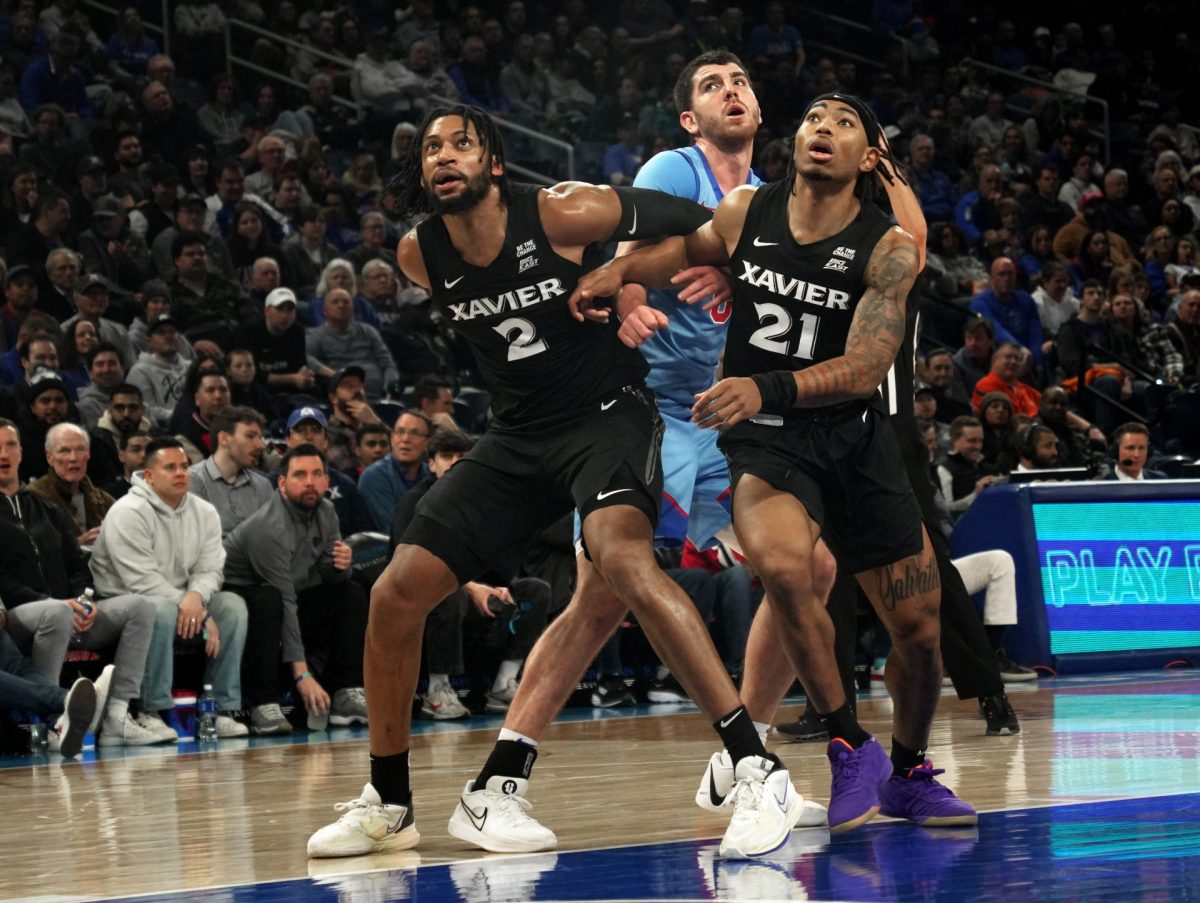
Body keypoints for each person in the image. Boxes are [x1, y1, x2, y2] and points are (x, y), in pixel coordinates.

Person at [307, 104, 797, 862]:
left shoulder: (569, 210)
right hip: (515, 437)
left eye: (461, 143)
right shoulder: (418, 254)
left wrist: (633, 279)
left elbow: (702, 220)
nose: (444, 155)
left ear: (494, 163)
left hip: (608, 416)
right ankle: (390, 802)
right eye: (431, 147)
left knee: (622, 560)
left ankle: (755, 765)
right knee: (394, 592)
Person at [571, 92, 975, 837]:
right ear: (796, 139)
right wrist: (617, 276)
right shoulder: (745, 210)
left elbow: (863, 366)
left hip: (852, 439)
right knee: (787, 569)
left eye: (845, 122)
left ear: (869, 160)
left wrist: (764, 382)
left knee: (919, 629)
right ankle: (850, 742)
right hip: (766, 441)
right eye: (816, 117)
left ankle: (911, 770)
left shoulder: (888, 247)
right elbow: (684, 253)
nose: (824, 128)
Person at [0, 419, 159, 747]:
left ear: (21, 452)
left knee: (139, 607)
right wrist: (56, 603)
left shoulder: (45, 508)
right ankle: (55, 720)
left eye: (10, 445)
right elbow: (4, 582)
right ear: (48, 456)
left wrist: (82, 599)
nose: (3, 453)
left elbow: (77, 565)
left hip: (69, 610)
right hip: (20, 614)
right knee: (55, 614)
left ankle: (116, 713)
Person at [88, 437, 249, 741]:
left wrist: (195, 599)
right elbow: (140, 581)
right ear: (148, 476)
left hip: (184, 603)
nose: (180, 473)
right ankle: (153, 711)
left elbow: (211, 567)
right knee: (156, 608)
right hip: (122, 602)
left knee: (232, 606)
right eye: (170, 467)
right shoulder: (127, 511)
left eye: (185, 466)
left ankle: (221, 708)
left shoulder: (204, 512)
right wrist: (191, 607)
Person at [223, 443, 369, 735]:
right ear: (282, 483)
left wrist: (343, 567)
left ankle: (345, 692)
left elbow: (330, 578)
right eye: (300, 475)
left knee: (351, 592)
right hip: (245, 606)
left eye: (317, 474)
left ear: (327, 481)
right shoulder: (268, 528)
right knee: (270, 600)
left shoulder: (326, 511)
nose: (310, 482)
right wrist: (303, 675)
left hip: (293, 597)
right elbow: (286, 601)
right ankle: (263, 703)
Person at [187, 405, 272, 537]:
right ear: (224, 439)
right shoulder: (192, 480)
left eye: (260, 438)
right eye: (250, 436)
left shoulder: (263, 485)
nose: (261, 445)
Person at [29, 422, 115, 546]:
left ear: (88, 453)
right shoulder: (33, 498)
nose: (73, 458)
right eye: (64, 451)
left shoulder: (103, 500)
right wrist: (76, 545)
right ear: (49, 457)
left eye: (80, 449)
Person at [356, 409, 431, 532]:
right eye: (400, 432)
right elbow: (394, 531)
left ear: (428, 442)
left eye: (415, 433)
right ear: (392, 438)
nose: (406, 439)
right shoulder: (374, 476)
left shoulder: (431, 476)